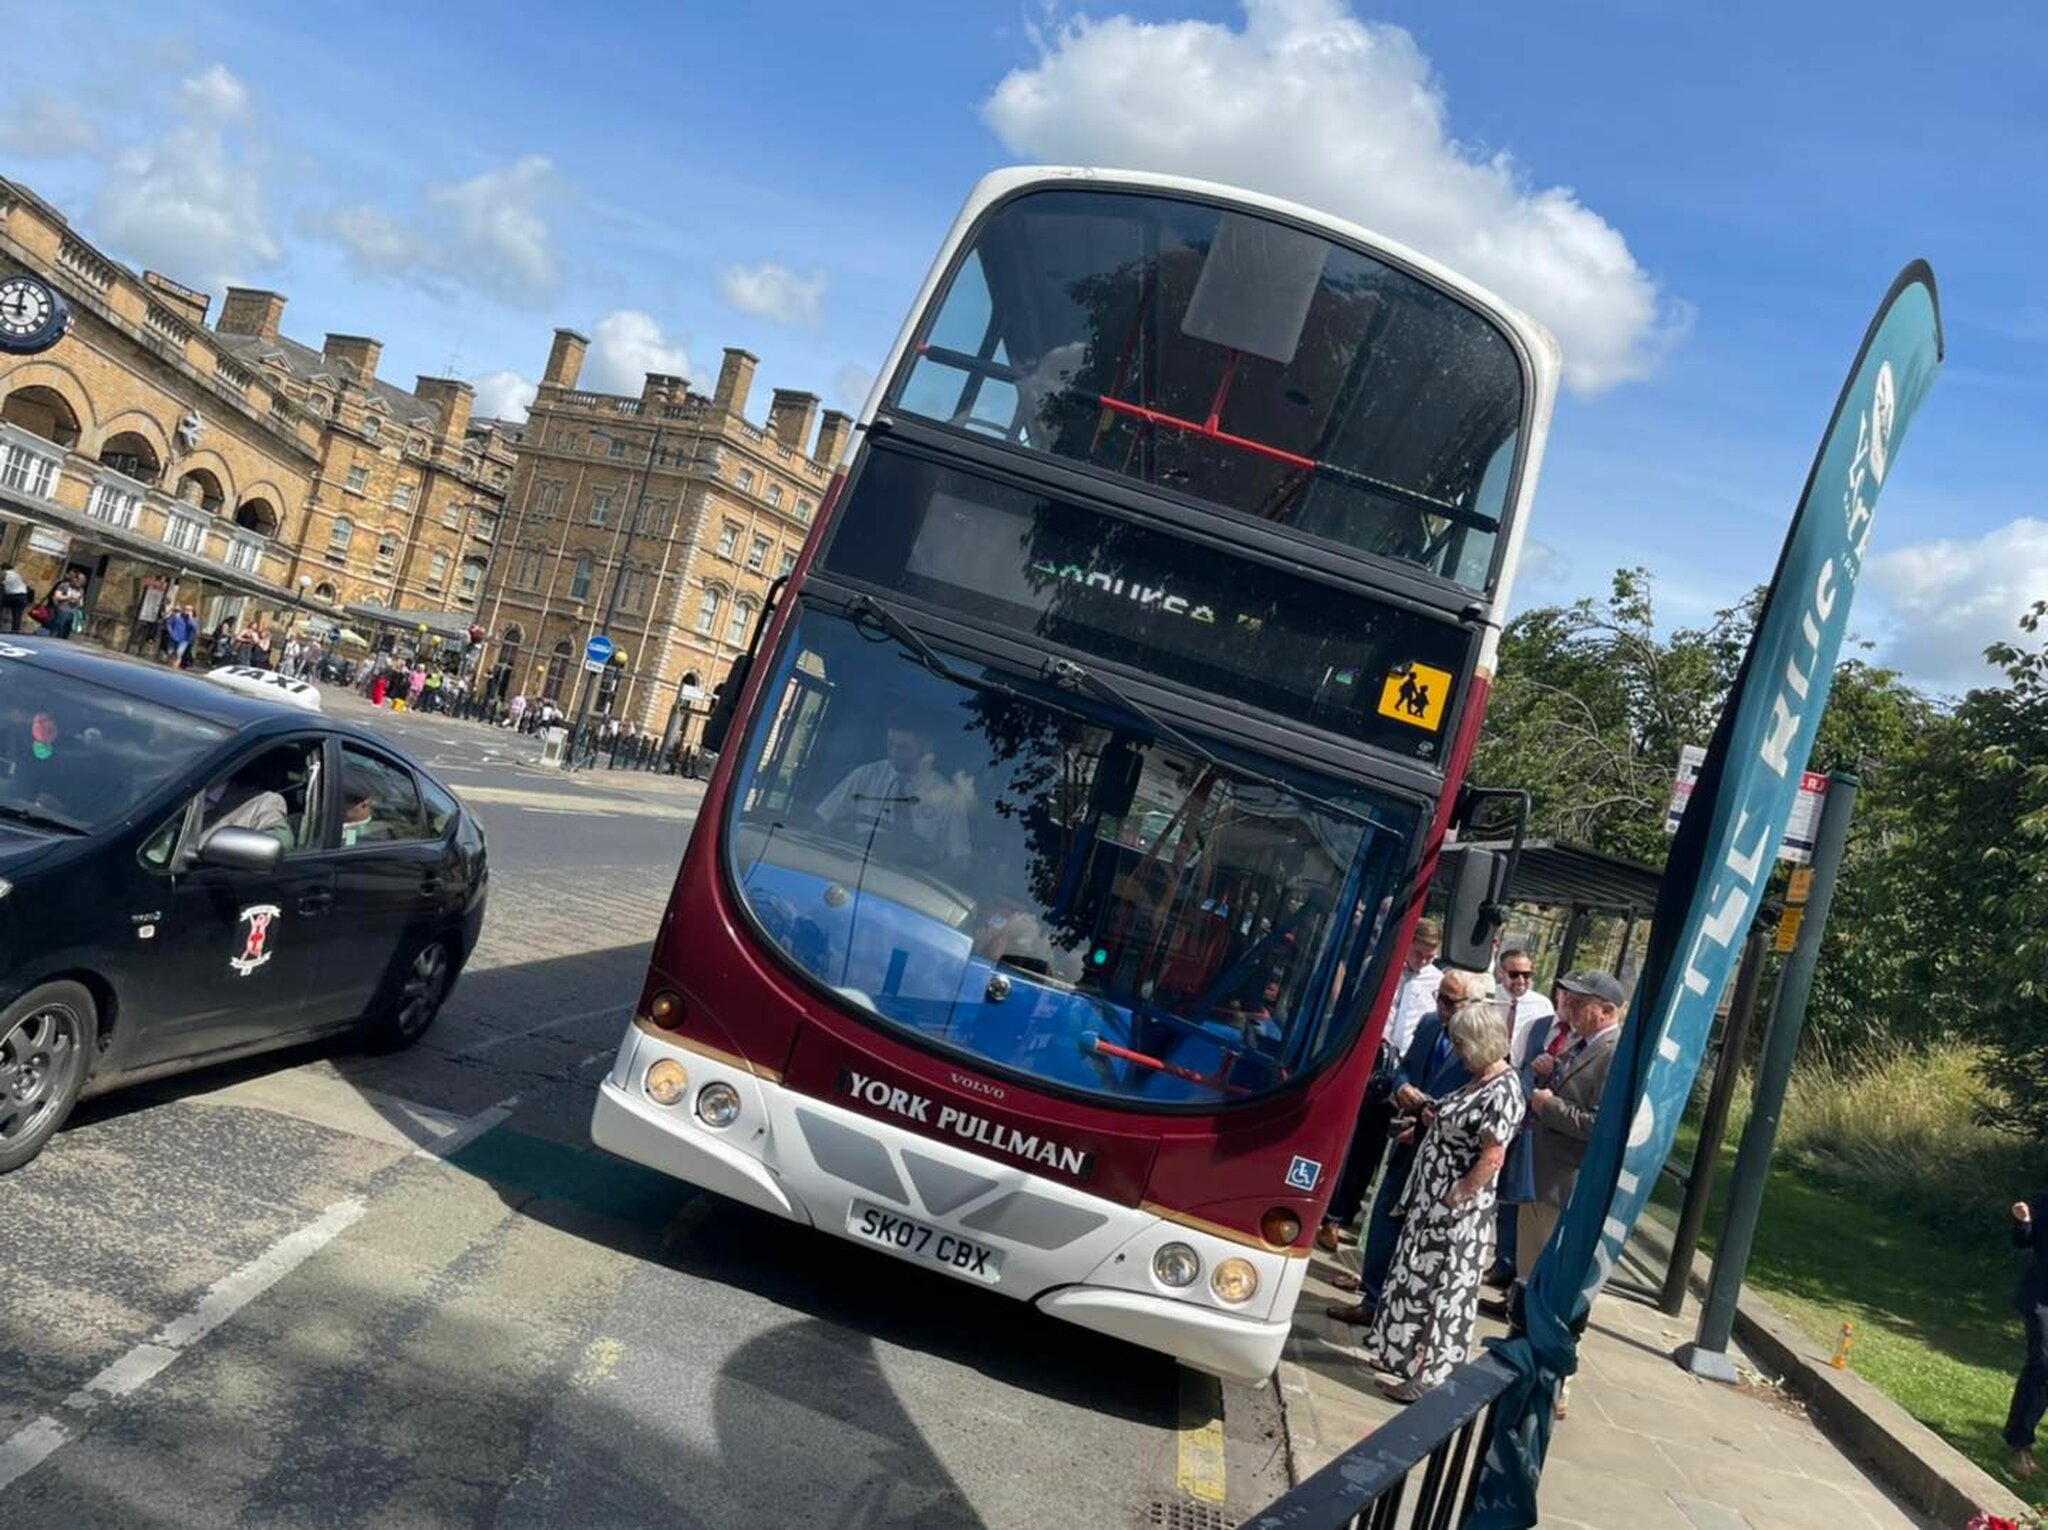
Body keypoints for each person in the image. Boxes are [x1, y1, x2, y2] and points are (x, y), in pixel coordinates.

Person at [1363, 992, 1523, 1402]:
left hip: (1453, 1215)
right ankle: (1400, 1358)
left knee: (1441, 1293)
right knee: (1415, 1281)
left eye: (1462, 1045)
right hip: (1430, 1204)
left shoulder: (1503, 1089)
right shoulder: (1479, 1079)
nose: (1458, 1052)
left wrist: (1457, 1195)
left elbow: (1493, 1154)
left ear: (1481, 1043)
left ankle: (1428, 1377)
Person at [1484, 968, 1626, 1418]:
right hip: (1539, 1179)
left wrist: (1549, 1104)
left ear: (1607, 1011)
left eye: (1583, 1003)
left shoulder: (1613, 1053)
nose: (1573, 1009)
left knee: (1556, 1287)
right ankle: (1518, 1356)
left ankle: (1555, 1378)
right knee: (1528, 1278)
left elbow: (1598, 1125)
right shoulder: (1578, 1046)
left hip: (1565, 1186)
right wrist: (1549, 1070)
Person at [1326, 965, 1494, 1322]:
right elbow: (1402, 1067)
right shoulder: (1431, 1026)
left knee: (1419, 1237)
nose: (1442, 1008)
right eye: (1440, 998)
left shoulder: (1482, 1047)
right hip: (1406, 1143)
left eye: (1451, 1001)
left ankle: (1398, 1311)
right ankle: (1372, 1299)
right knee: (1386, 1217)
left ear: (1472, 1003)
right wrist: (1401, 1087)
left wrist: (1429, 1127)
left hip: (1442, 1159)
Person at [1316, 917, 1448, 1254]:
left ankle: (1344, 1214)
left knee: (1372, 1147)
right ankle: (1327, 1209)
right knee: (1348, 1137)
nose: (1424, 961)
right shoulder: (1380, 966)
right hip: (1370, 1055)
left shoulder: (1437, 982)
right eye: (1419, 953)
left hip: (1402, 1069)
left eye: (1430, 955)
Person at [1487, 945, 1565, 1286]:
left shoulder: (1541, 1010)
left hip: (1527, 1104)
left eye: (1528, 974)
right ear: (1502, 973)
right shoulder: (1489, 999)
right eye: (1515, 973)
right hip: (1494, 1084)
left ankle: (1508, 1263)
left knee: (1516, 1188)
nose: (1521, 980)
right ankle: (1504, 1261)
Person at [815, 714, 972, 868]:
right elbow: (822, 821)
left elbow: (959, 861)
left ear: (925, 747)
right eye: (890, 744)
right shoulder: (864, 776)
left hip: (911, 883)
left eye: (903, 748)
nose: (893, 753)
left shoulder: (947, 798)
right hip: (854, 866)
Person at [2004, 1193, 2048, 1478]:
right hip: (2041, 1298)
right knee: (2043, 1362)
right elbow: (2025, 1240)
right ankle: (2018, 1444)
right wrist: (2023, 1223)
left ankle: (2022, 1440)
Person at [49, 574, 83, 639]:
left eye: (81, 582)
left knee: (66, 632)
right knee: (56, 630)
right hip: (62, 610)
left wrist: (77, 601)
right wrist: (68, 597)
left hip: (73, 613)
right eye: (79, 580)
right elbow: (57, 596)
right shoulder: (64, 585)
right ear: (74, 579)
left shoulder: (81, 590)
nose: (79, 583)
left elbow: (81, 603)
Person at [1, 564, 29, 632]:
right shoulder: (17, 575)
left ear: (3, 568)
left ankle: (2, 622)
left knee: (2, 603)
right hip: (23, 597)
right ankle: (15, 630)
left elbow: (2, 582)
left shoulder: (5, 573)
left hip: (13, 597)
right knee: (17, 614)